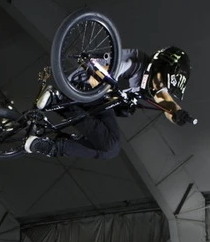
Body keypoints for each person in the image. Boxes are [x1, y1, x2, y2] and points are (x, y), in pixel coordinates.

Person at [24, 46, 192, 159]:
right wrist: (113, 95)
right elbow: (96, 77)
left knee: (108, 150)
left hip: (92, 100)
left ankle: (47, 142)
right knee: (111, 145)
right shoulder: (135, 62)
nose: (158, 87)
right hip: (85, 87)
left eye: (163, 85)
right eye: (161, 81)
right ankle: (58, 99)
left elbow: (166, 101)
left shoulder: (154, 83)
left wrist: (178, 114)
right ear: (158, 66)